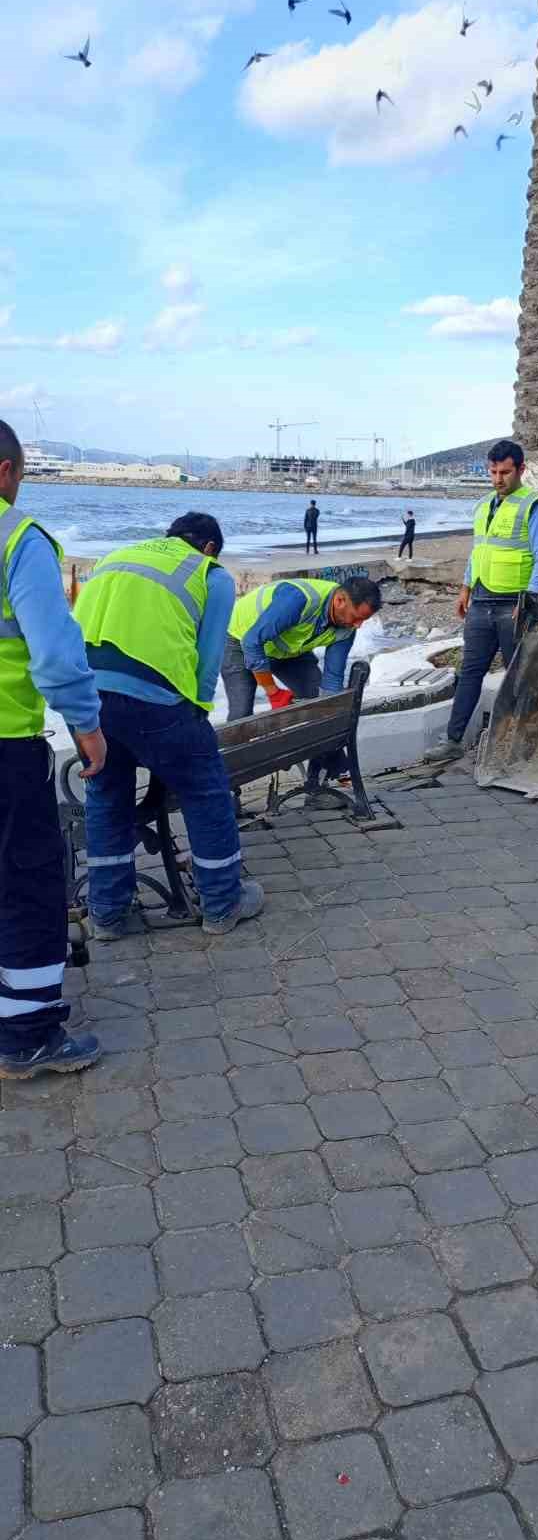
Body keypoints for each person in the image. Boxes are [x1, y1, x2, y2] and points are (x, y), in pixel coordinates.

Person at [74, 512, 264, 938]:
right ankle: (221, 904)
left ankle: (107, 915)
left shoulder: (115, 556)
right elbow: (208, 656)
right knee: (204, 790)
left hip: (86, 696)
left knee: (106, 797)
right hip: (156, 698)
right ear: (210, 547)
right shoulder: (210, 573)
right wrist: (195, 714)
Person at [0, 419, 106, 1079]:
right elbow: (56, 656)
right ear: (5, 472)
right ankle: (28, 1033)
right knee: (29, 883)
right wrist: (86, 726)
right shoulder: (17, 537)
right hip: (6, 745)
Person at [426, 438, 538, 764]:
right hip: (481, 602)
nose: (498, 479)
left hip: (514, 605)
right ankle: (452, 740)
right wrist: (465, 587)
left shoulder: (534, 506)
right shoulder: (484, 505)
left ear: (521, 470)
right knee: (470, 672)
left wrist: (528, 602)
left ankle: (524, 744)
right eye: (493, 472)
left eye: (505, 472)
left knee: (520, 676)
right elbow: (479, 549)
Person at [222, 575, 382, 721]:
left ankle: (318, 750)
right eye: (356, 617)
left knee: (315, 701)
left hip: (287, 650)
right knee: (241, 715)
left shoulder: (347, 628)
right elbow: (252, 642)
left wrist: (331, 717)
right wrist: (274, 693)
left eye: (364, 620)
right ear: (340, 601)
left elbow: (332, 680)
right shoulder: (298, 600)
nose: (358, 626)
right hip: (239, 640)